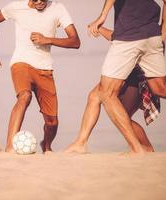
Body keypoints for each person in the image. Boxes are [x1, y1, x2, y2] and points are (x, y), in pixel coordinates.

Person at [67, 0, 166, 155]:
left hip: (130, 44)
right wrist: (162, 36)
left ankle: (137, 148)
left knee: (106, 94)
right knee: (161, 89)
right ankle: (80, 142)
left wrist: (102, 16)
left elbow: (127, 37)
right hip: (152, 37)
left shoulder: (129, 24)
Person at [0, 0, 80, 153]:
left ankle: (46, 145)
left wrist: (47, 39)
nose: (39, 2)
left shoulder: (58, 8)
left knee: (52, 122)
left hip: (45, 69)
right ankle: (9, 147)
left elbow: (75, 41)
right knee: (24, 96)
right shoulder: (16, 7)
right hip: (21, 62)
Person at [65, 26, 160, 154]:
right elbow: (119, 38)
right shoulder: (133, 23)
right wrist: (99, 28)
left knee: (123, 115)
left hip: (136, 75)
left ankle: (143, 147)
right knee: (94, 96)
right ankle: (81, 142)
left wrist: (99, 27)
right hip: (125, 72)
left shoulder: (142, 24)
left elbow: (123, 40)